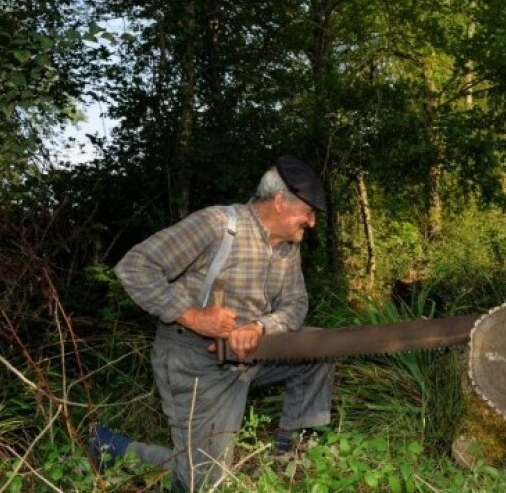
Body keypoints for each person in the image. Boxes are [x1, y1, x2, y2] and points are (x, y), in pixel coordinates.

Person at [90, 155, 335, 490]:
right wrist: (193, 316)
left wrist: (260, 327)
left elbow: (296, 304)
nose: (312, 222)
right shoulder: (217, 225)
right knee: (204, 482)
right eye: (308, 212)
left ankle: (291, 457)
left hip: (253, 353)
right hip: (196, 360)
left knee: (318, 349)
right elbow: (135, 266)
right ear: (280, 202)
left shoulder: (287, 249)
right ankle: (110, 448)